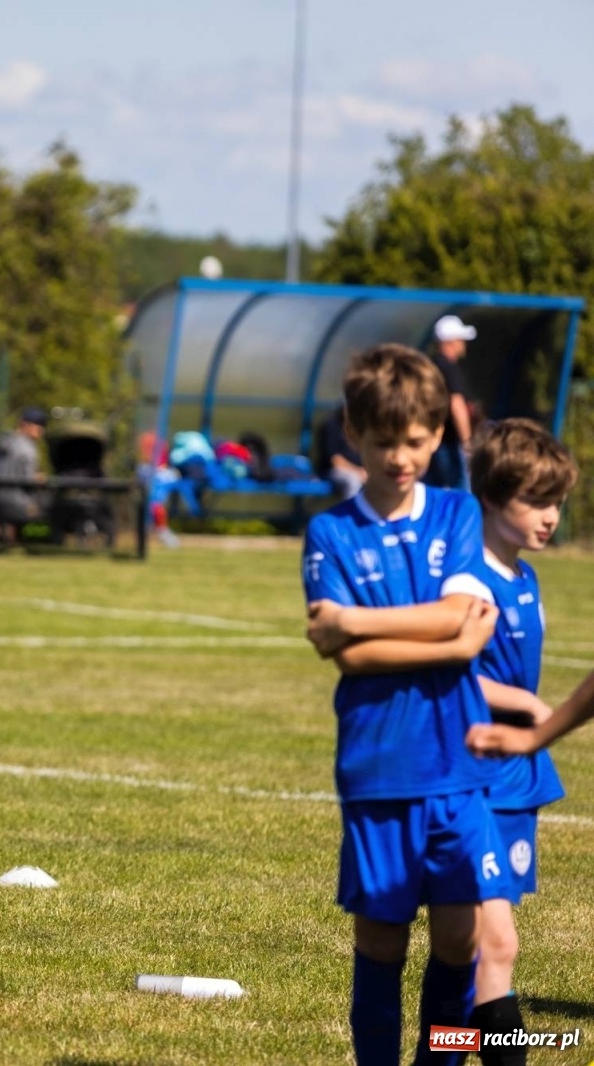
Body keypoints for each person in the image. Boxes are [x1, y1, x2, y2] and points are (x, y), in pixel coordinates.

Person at [301, 344, 504, 1066]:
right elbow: (354, 660)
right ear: (353, 432)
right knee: (382, 940)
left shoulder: (457, 511)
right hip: (379, 767)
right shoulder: (331, 531)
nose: (400, 457)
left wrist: (353, 619)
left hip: (457, 763)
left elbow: (456, 617)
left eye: (415, 440)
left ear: (438, 434)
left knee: (461, 938)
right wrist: (449, 642)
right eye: (384, 440)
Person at [451, 419, 577, 1066]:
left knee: (483, 948)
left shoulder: (524, 576)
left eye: (557, 502)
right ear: (493, 497)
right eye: (536, 501)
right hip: (473, 773)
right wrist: (526, 704)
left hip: (515, 774)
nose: (550, 516)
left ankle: (441, 1047)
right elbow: (451, 670)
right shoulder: (471, 583)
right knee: (491, 944)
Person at [423, 314, 477, 490]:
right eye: (460, 339)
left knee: (431, 491)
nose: (463, 344)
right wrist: (467, 443)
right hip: (449, 444)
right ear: (451, 341)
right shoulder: (449, 368)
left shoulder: (428, 366)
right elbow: (457, 405)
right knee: (460, 493)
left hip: (430, 440)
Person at [0, 407, 52, 544]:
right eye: (38, 425)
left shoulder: (3, 441)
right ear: (24, 424)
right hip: (18, 502)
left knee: (2, 521)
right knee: (48, 510)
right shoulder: (27, 448)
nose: (41, 430)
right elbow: (28, 481)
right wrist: (38, 479)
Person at [315, 406, 366, 500]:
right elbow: (336, 461)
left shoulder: (363, 428)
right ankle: (351, 509)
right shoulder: (331, 426)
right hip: (332, 472)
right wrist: (359, 472)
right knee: (352, 480)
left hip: (361, 472)